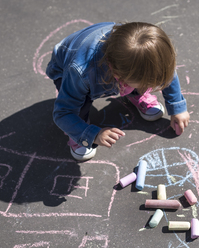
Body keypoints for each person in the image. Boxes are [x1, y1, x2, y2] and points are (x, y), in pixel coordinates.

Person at [45, 22, 190, 161]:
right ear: (120, 76)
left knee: (144, 75)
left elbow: (167, 72)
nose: (149, 87)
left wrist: (177, 106)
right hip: (65, 67)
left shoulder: (145, 54)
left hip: (115, 67)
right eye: (146, 85)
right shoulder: (80, 73)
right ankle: (77, 135)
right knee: (80, 105)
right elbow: (63, 113)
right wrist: (92, 135)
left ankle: (136, 94)